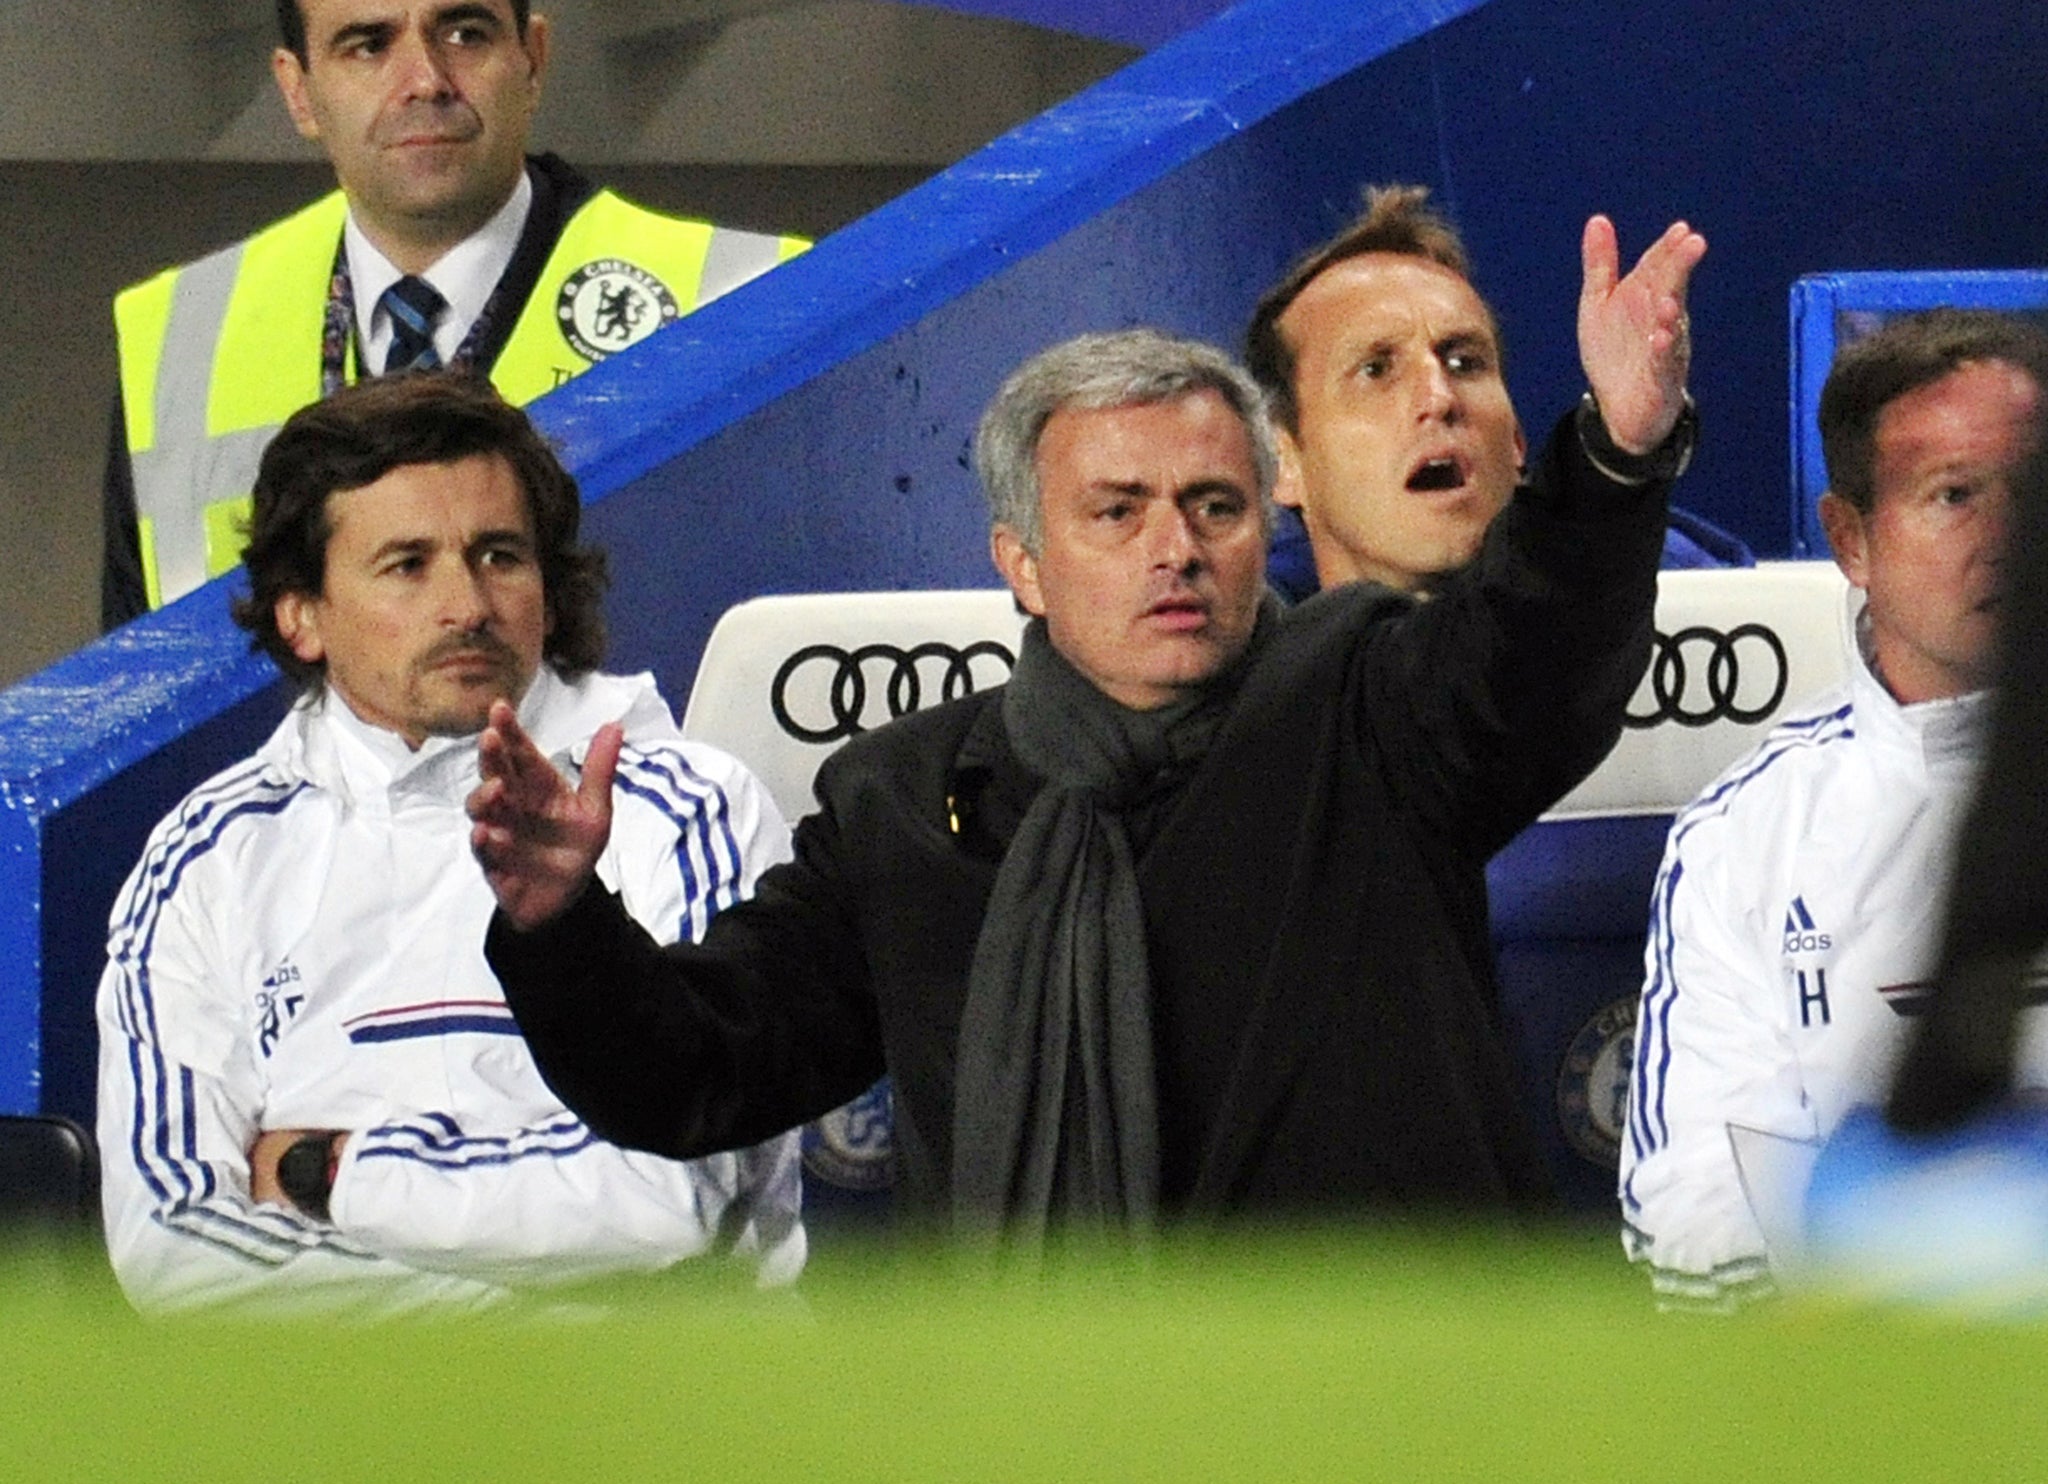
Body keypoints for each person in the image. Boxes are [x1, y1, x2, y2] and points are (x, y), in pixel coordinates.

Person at [470, 212, 1702, 1238]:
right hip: (1059, 1448)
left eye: (1213, 506)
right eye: (1117, 512)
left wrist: (1612, 458)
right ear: (1023, 562)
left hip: (1383, 1423)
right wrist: (561, 926)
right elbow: (698, 1070)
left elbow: (1531, 660)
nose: (1176, 548)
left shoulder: (1362, 699)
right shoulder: (906, 803)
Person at [95, 372, 803, 1315]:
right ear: (300, 614)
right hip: (342, 1437)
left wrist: (330, 1172)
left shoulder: (692, 808)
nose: (466, 603)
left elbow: (665, 1196)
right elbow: (174, 1247)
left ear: (549, 590)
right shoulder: (208, 857)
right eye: (407, 564)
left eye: (499, 556)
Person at [102, 0, 808, 627]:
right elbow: (128, 706)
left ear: (533, 59)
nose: (426, 81)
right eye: (369, 45)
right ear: (298, 91)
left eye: (465, 33)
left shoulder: (752, 296)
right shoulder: (179, 335)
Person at [1620, 308, 2048, 1310]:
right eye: (1952, 495)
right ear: (1848, 537)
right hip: (1876, 1407)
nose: (2003, 540)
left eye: (2030, 496)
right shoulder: (1741, 841)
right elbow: (1687, 1218)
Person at [1244, 185, 1731, 603]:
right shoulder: (1231, 680)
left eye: (1465, 363)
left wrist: (1624, 451)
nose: (1439, 398)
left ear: (1517, 441)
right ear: (1283, 459)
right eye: (1376, 369)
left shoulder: (1681, 592)